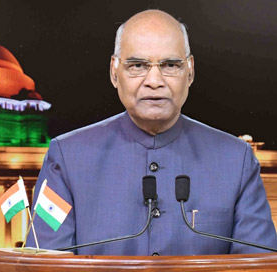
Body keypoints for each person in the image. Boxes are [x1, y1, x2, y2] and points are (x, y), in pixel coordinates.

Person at [27, 9, 277, 255]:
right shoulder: (68, 158)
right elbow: (45, 261)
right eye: (138, 65)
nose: (154, 81)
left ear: (190, 70)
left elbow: (260, 264)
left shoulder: (236, 160)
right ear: (115, 71)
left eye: (170, 65)